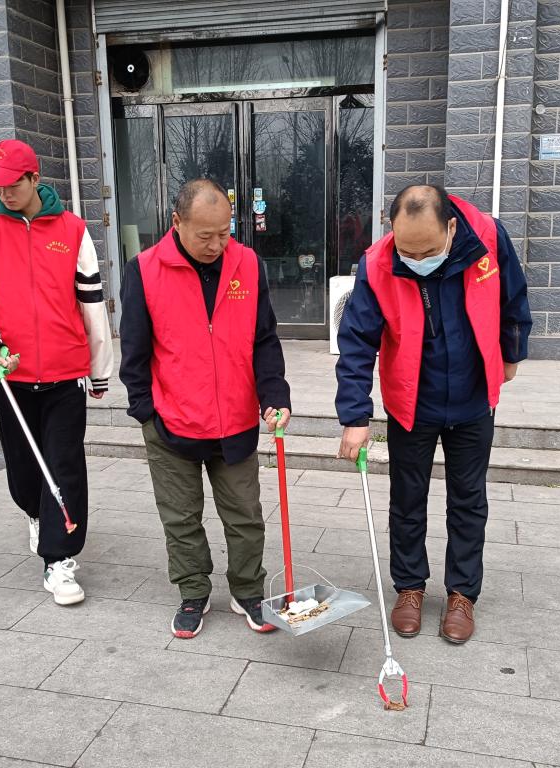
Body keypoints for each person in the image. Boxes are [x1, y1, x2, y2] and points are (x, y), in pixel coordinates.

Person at [335, 184, 531, 644]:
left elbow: (513, 297)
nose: (417, 260)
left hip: (472, 396)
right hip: (412, 400)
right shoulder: (379, 262)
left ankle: (462, 593)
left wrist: (512, 352)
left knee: (468, 500)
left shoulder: (488, 238)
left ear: (451, 227)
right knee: (407, 499)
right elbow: (357, 342)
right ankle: (409, 587)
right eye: (408, 252)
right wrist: (355, 417)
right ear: (392, 228)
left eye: (427, 251)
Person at [119, 178, 291, 639]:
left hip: (235, 419)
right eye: (205, 235)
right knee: (180, 518)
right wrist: (145, 411)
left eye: (224, 233)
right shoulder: (144, 270)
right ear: (177, 223)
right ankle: (193, 591)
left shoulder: (248, 264)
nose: (217, 245)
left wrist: (275, 395)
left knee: (245, 515)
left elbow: (264, 339)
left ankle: (248, 590)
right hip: (171, 420)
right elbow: (134, 350)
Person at [0, 139, 113, 606]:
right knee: (24, 469)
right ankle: (35, 512)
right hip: (10, 375)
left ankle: (59, 560)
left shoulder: (73, 230)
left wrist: (99, 368)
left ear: (34, 179)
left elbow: (92, 303)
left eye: (13, 184)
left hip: (65, 373)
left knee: (63, 464)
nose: (4, 193)